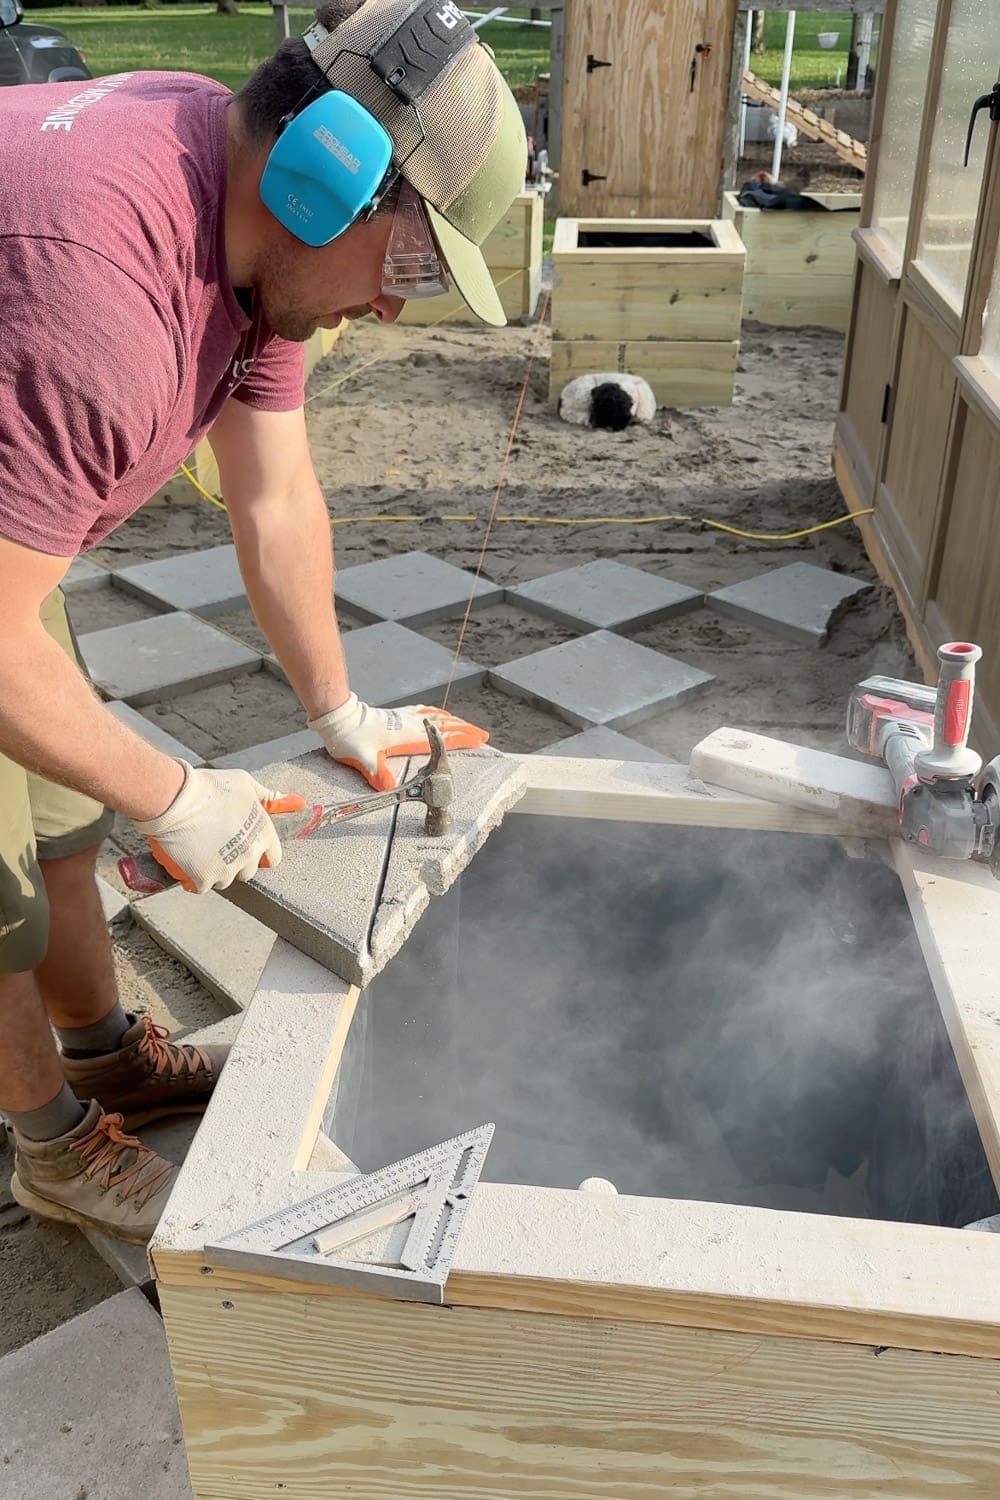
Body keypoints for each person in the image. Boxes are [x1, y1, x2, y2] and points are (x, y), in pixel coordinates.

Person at [0, 0, 526, 1243]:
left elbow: (275, 492)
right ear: (327, 178)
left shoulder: (247, 226)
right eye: (410, 263)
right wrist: (175, 792)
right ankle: (51, 1148)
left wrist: (338, 709)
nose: (392, 309)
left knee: (63, 818)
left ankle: (104, 1058)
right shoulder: (99, 302)